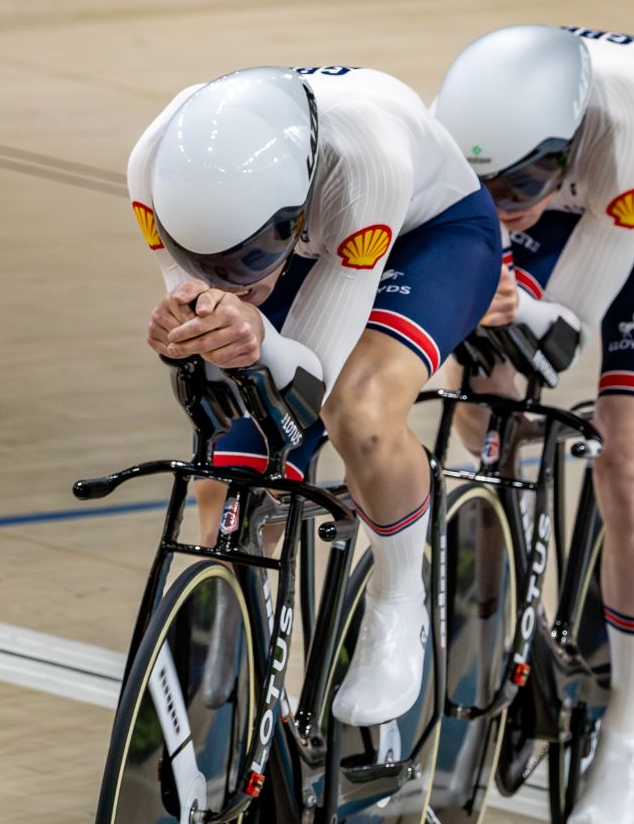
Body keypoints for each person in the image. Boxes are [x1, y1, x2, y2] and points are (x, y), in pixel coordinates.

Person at [126, 65, 499, 727]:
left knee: (359, 409)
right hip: (298, 245)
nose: (233, 284)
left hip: (420, 236)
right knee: (231, 479)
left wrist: (254, 335)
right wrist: (189, 330)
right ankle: (257, 714)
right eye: (216, 266)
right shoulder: (154, 164)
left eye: (244, 265)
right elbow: (216, 336)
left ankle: (397, 600)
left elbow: (310, 388)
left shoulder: (366, 157)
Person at [433, 25, 634, 824]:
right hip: (569, 206)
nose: (501, 203)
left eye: (519, 181)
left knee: (627, 458)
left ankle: (628, 731)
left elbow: (565, 332)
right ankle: (511, 581)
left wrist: (509, 302)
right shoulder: (460, 133)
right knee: (486, 399)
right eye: (480, 183)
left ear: (563, 146)